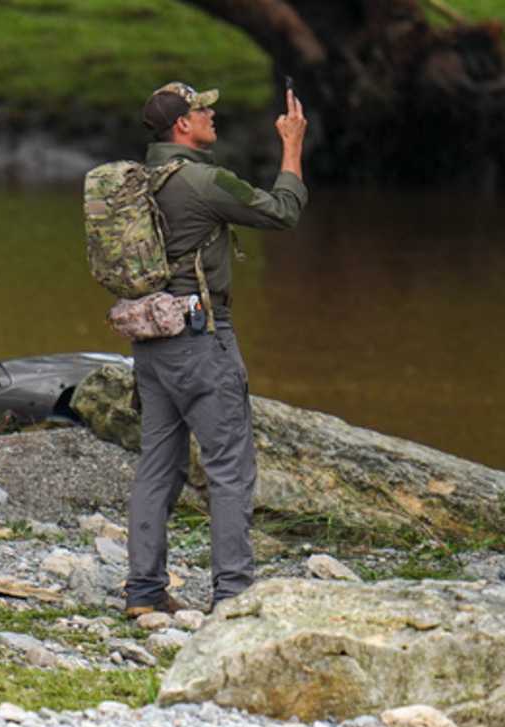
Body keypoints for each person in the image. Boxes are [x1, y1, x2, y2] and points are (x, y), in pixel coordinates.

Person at [124, 80, 307, 619]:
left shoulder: (138, 181)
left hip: (151, 338)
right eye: (203, 110)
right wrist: (292, 145)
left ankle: (143, 592)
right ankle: (232, 597)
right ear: (182, 125)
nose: (211, 116)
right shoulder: (203, 182)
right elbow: (283, 212)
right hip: (202, 337)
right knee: (230, 467)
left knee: (157, 465)